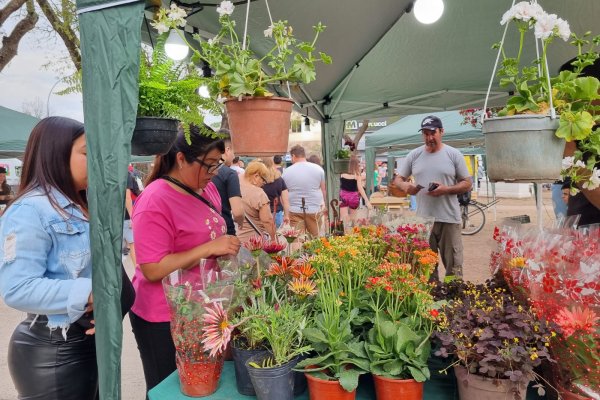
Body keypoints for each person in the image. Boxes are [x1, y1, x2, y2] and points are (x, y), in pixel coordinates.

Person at [130, 126, 241, 396]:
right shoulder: (155, 199)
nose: (214, 173)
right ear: (181, 158)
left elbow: (212, 236)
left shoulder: (207, 189)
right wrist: (209, 247)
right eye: (209, 165)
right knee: (170, 389)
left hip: (203, 308)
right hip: (164, 316)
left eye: (217, 165)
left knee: (205, 386)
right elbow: (153, 269)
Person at [0, 116, 98, 399]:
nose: (95, 161)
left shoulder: (79, 203)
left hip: (81, 341)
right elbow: (18, 288)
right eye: (86, 153)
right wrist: (95, 294)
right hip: (53, 350)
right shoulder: (31, 210)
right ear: (56, 154)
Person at [394, 115, 472, 280]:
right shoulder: (414, 155)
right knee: (426, 267)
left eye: (433, 133)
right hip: (424, 221)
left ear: (441, 131)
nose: (429, 137)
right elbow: (398, 179)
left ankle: (454, 298)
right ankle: (431, 300)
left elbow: (467, 183)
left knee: (454, 266)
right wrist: (406, 187)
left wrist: (446, 189)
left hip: (449, 219)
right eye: (425, 133)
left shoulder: (453, 154)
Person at [282, 145, 327, 237]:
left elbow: (283, 195)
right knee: (315, 237)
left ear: (293, 156)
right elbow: (324, 190)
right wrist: (325, 205)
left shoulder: (286, 172)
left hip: (294, 209)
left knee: (297, 238)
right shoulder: (318, 169)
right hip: (314, 209)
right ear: (304, 155)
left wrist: (286, 211)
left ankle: (297, 251)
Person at [211, 131, 244, 235]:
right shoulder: (230, 174)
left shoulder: (203, 170)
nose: (234, 156)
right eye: (234, 152)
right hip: (225, 230)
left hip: (206, 230)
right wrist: (240, 221)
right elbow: (237, 212)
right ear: (227, 150)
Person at [237, 160, 276, 243]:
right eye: (263, 181)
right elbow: (267, 220)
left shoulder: (235, 185)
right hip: (254, 241)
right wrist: (273, 239)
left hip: (236, 238)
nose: (263, 184)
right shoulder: (259, 193)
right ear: (256, 176)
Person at [339, 156, 372, 220]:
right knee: (353, 218)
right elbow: (360, 188)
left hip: (343, 196)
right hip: (353, 197)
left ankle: (343, 229)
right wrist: (366, 200)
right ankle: (352, 228)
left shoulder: (342, 173)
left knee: (343, 217)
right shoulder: (357, 175)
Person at [262, 157, 290, 228]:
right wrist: (286, 215)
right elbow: (285, 200)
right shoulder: (279, 179)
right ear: (272, 164)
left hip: (261, 213)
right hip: (277, 213)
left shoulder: (258, 179)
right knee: (275, 237)